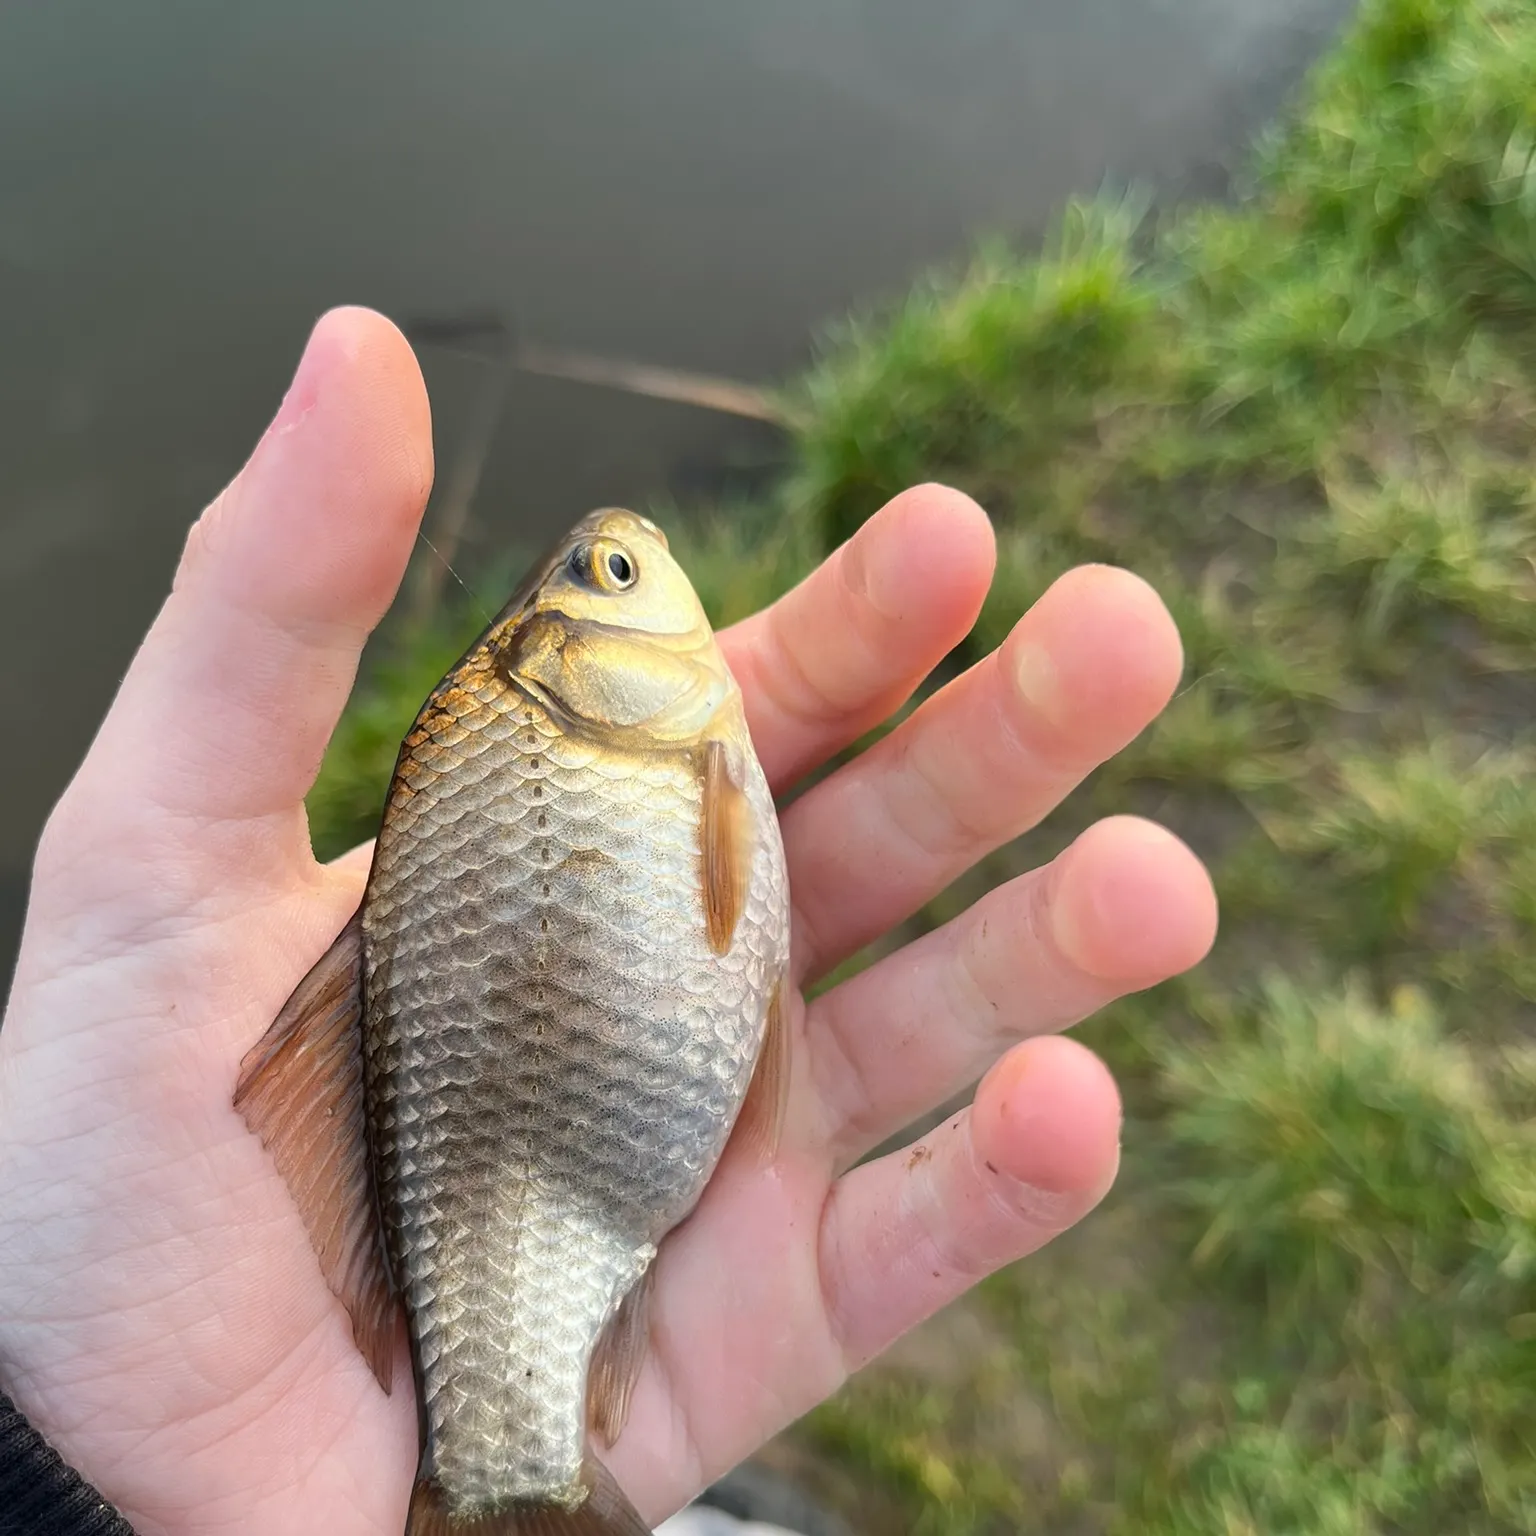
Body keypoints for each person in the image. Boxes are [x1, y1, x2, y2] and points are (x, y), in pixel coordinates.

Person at [0, 308, 1217, 1535]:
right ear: (564, 671)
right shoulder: (615, 742)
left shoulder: (631, 744)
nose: (624, 556)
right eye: (613, 577)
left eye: (611, 572)